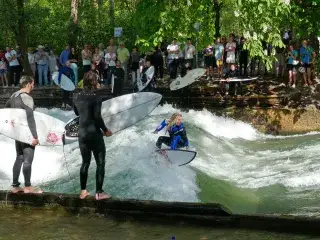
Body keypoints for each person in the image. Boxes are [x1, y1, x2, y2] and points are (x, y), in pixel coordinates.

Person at [73, 71, 113, 200]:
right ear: (94, 82)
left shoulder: (77, 96)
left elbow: (76, 112)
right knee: (100, 163)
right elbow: (97, 117)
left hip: (82, 133)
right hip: (94, 132)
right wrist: (105, 130)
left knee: (85, 162)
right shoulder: (96, 96)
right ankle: (99, 192)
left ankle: (83, 192)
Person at [5, 75, 42, 194]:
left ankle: (15, 186)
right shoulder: (27, 98)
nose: (33, 86)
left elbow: (6, 111)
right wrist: (35, 136)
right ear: (28, 84)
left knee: (19, 157)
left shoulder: (13, 96)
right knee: (28, 160)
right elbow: (30, 118)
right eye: (32, 83)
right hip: (27, 133)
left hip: (17, 132)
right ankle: (28, 186)